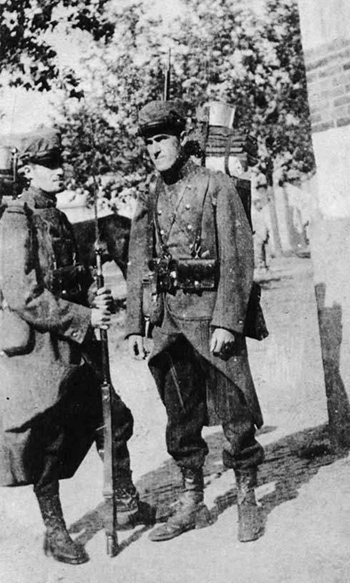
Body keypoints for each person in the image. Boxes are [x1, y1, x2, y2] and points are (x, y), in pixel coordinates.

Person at [0, 129, 144, 565]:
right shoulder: (14, 219)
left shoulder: (57, 216)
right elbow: (23, 294)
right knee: (50, 439)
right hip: (41, 348)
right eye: (51, 164)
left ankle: (126, 500)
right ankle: (56, 530)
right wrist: (84, 317)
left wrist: (94, 297)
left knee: (112, 418)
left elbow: (68, 279)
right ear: (29, 171)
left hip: (76, 343)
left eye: (62, 161)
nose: (60, 169)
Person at [127, 101, 266, 543]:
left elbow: (238, 258)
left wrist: (228, 320)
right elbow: (136, 262)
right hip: (169, 322)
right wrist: (135, 325)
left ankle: (247, 495)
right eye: (148, 143)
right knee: (179, 415)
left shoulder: (216, 186)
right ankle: (193, 500)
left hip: (211, 318)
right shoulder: (151, 195)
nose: (154, 150)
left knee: (234, 410)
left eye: (161, 140)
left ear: (179, 139)